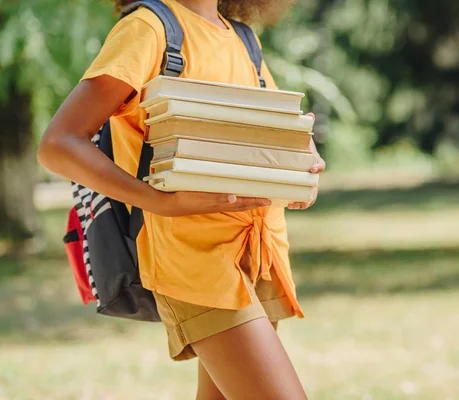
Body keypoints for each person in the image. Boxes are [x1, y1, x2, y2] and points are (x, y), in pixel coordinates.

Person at [36, 0, 326, 398]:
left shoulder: (242, 37)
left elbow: (273, 133)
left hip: (260, 255)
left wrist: (301, 161)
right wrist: (159, 202)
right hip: (195, 264)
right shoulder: (149, 28)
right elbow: (59, 143)